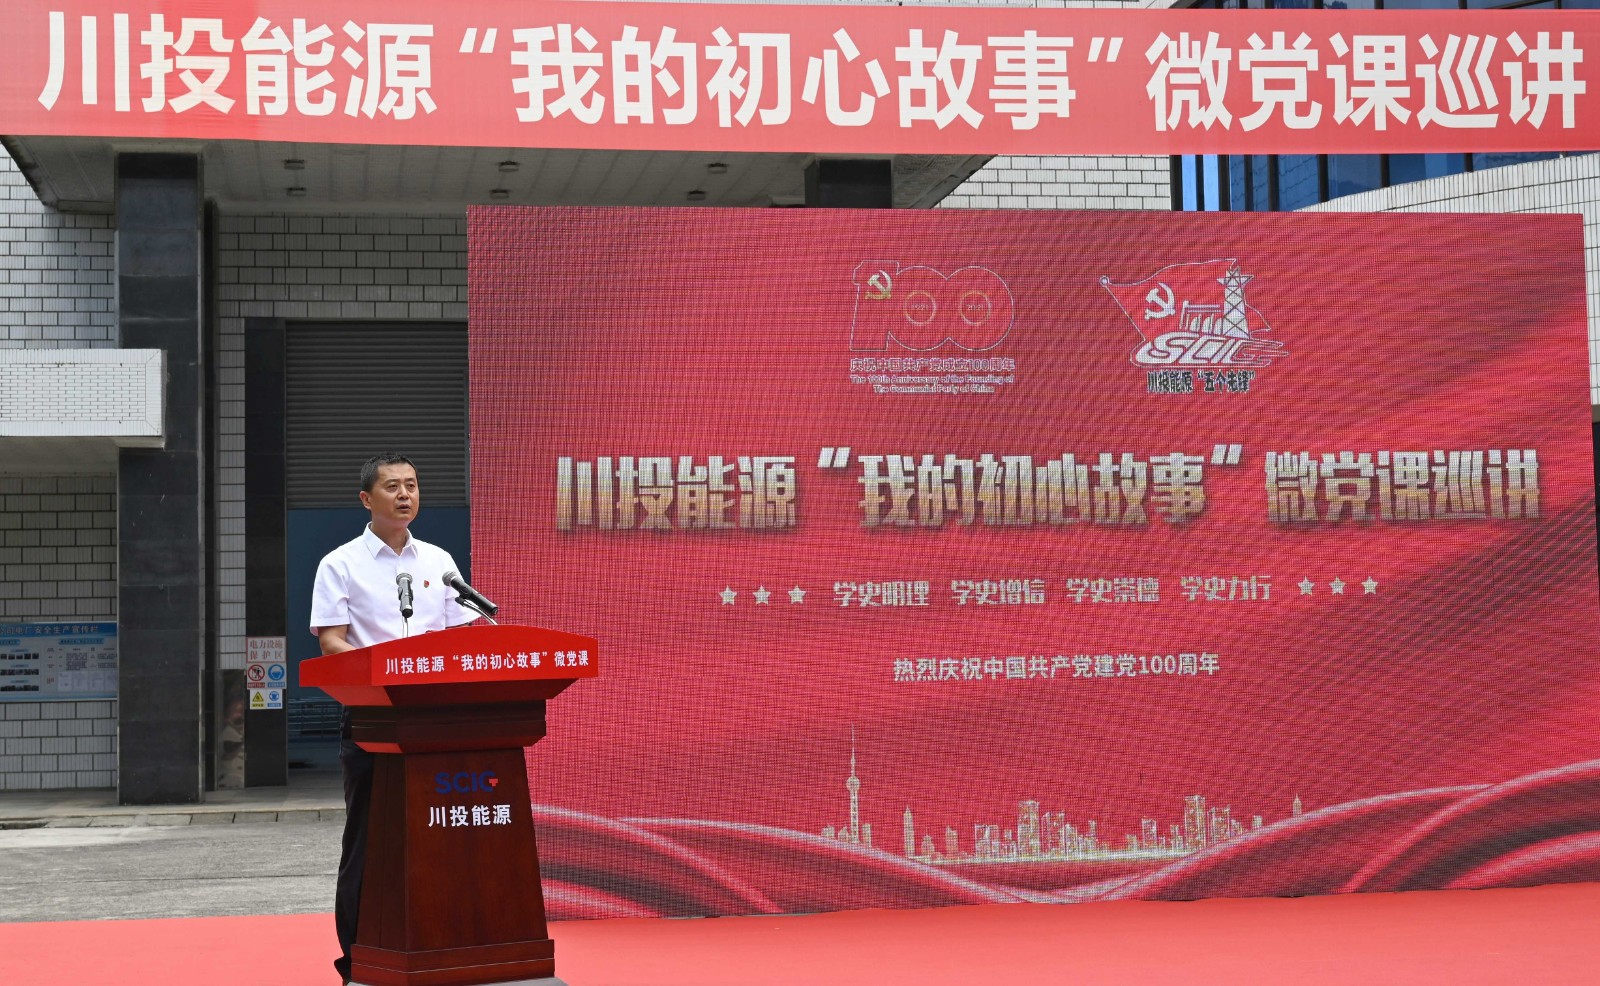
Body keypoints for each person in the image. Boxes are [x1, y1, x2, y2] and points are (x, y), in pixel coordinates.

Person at [310, 452, 471, 984]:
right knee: (369, 841)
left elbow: (461, 639)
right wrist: (385, 673)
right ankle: (358, 960)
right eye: (393, 487)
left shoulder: (439, 561)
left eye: (412, 485)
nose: (405, 495)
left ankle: (443, 948)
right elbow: (332, 642)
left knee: (439, 838)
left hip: (434, 723)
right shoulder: (340, 564)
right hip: (372, 720)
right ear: (366, 499)